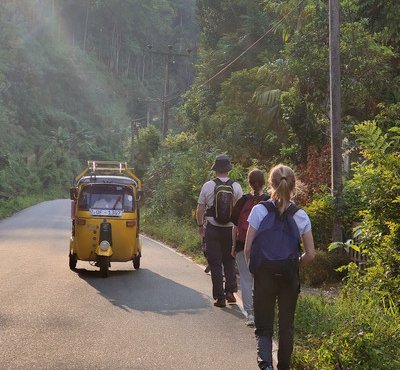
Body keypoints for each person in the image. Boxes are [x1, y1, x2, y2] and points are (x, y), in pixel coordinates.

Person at [244, 164, 315, 370]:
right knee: (286, 327)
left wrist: (254, 269)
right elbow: (311, 254)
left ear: (271, 184)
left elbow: (248, 248)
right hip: (288, 278)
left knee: (264, 327)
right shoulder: (301, 215)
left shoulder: (259, 210)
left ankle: (265, 365)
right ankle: (284, 366)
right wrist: (294, 264)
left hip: (264, 276)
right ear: (293, 186)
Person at [196, 154, 243, 307]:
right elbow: (240, 212)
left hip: (213, 229)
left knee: (215, 263)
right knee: (229, 260)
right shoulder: (236, 186)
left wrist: (200, 225)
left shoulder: (208, 186)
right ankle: (230, 292)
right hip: (230, 230)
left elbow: (200, 209)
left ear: (215, 169)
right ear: (228, 169)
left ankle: (219, 297)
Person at [231, 169, 269, 327]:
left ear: (249, 182)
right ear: (265, 182)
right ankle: (263, 312)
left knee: (246, 280)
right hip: (264, 247)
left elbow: (235, 226)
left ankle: (250, 314)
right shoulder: (269, 200)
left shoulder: (242, 201)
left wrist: (233, 246)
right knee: (261, 279)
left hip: (242, 244)